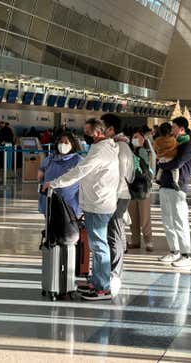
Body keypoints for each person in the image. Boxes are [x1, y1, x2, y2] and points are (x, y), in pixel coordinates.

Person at [44, 118, 119, 301]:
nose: (86, 134)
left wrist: (54, 183)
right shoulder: (104, 147)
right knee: (97, 244)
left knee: (99, 245)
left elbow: (80, 171)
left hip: (98, 204)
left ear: (98, 132)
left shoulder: (100, 151)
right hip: (100, 201)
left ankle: (103, 288)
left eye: (88, 131)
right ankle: (97, 280)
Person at [100, 114, 134, 295]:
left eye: (102, 127)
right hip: (120, 195)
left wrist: (110, 198)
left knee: (114, 234)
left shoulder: (120, 148)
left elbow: (119, 177)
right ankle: (113, 271)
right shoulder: (122, 145)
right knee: (115, 233)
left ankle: (115, 273)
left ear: (111, 129)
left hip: (117, 196)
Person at [156, 118, 191, 267]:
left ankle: (186, 255)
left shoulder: (187, 146)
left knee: (180, 221)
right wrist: (161, 162)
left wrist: (162, 163)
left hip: (178, 187)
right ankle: (174, 251)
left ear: (182, 129)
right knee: (167, 221)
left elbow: (177, 163)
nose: (172, 130)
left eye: (174, 127)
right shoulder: (173, 143)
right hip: (165, 185)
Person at [38, 131, 83, 217]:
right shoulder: (51, 158)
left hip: (69, 204)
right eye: (61, 142)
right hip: (49, 200)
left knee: (66, 228)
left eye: (66, 142)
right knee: (50, 226)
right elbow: (42, 169)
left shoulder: (78, 160)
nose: (63, 145)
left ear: (72, 144)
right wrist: (41, 172)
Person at [127, 129, 154, 252]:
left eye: (137, 137)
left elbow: (149, 167)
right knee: (133, 217)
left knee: (144, 217)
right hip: (131, 188)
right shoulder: (129, 152)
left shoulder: (145, 152)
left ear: (143, 139)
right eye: (133, 136)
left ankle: (149, 241)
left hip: (144, 188)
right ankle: (135, 240)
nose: (134, 139)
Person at [154, 123, 180, 190]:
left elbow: (155, 147)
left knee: (161, 168)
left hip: (161, 158)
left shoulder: (157, 140)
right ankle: (175, 181)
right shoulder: (172, 139)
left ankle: (157, 178)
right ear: (170, 130)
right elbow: (175, 146)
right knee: (174, 170)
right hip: (170, 158)